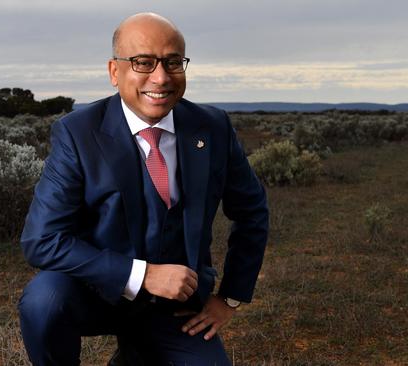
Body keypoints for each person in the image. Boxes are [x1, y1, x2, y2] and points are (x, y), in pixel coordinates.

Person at [18, 12, 269, 365]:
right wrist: (144, 275)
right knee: (44, 301)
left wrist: (229, 297)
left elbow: (253, 211)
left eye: (172, 62)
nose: (161, 77)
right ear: (114, 71)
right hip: (95, 294)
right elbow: (41, 240)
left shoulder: (211, 127)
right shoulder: (78, 133)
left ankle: (135, 355)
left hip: (177, 306)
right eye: (143, 62)